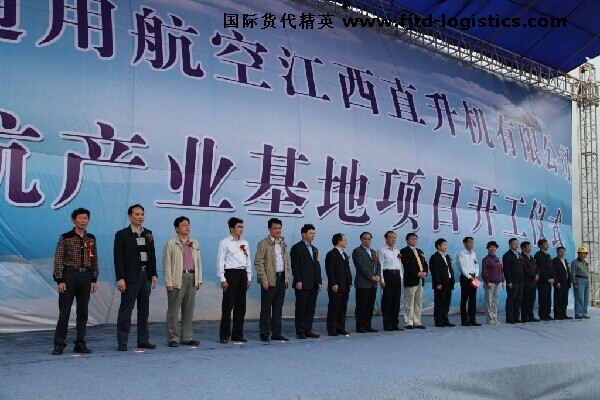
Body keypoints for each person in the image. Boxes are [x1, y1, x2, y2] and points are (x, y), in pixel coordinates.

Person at [52, 207, 99, 355]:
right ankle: (59, 344)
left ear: (88, 220)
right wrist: (60, 279)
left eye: (85, 218)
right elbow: (58, 259)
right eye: (80, 218)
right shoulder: (65, 237)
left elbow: (93, 259)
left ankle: (80, 343)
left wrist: (93, 278)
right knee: (64, 312)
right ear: (74, 220)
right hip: (69, 276)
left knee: (83, 312)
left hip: (86, 277)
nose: (83, 221)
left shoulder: (91, 238)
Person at [114, 204, 158, 351]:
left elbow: (152, 255)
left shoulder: (148, 234)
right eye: (137, 214)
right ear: (130, 216)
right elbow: (118, 258)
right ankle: (122, 341)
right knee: (126, 310)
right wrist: (120, 278)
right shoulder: (122, 235)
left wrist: (153, 274)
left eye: (142, 214)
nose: (140, 217)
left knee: (144, 310)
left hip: (146, 276)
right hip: (130, 278)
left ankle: (143, 340)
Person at [163, 216, 202, 348]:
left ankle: (187, 337)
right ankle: (172, 338)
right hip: (177, 278)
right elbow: (167, 264)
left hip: (191, 277)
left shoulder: (195, 243)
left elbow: (198, 262)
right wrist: (169, 282)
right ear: (176, 228)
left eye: (188, 225)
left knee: (188, 310)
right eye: (184, 225)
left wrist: (199, 279)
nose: (187, 227)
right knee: (173, 311)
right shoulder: (171, 243)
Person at [254, 218, 291, 342]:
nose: (278, 230)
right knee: (266, 308)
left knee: (278, 308)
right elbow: (258, 262)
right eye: (275, 228)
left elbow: (286, 261)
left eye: (279, 228)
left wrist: (287, 277)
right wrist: (264, 279)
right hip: (269, 279)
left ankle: (276, 333)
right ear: (269, 229)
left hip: (281, 278)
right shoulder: (263, 243)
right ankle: (264, 334)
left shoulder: (283, 243)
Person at [216, 217, 252, 343]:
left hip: (242, 273)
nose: (241, 229)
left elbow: (248, 260)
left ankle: (237, 334)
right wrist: (222, 278)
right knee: (228, 306)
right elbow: (220, 261)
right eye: (238, 226)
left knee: (241, 306)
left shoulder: (245, 243)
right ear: (231, 228)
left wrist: (249, 276)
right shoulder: (225, 242)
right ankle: (224, 335)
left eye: (242, 227)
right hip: (230, 274)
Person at [290, 223, 322, 339]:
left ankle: (308, 330)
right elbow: (295, 266)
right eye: (310, 233)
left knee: (310, 309)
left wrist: (319, 281)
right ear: (303, 234)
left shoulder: (314, 249)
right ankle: (300, 331)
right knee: (301, 308)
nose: (313, 235)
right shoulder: (297, 248)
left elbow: (317, 266)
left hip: (313, 283)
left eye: (314, 233)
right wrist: (298, 280)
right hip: (302, 283)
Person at [352, 232, 381, 333]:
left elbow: (378, 265)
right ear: (361, 240)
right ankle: (360, 326)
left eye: (369, 239)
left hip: (373, 284)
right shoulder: (357, 251)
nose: (367, 241)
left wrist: (378, 275)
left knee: (370, 306)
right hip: (363, 283)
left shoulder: (373, 251)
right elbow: (361, 266)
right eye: (365, 239)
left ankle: (368, 325)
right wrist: (371, 277)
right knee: (361, 306)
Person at [325, 233, 352, 336]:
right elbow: (330, 271)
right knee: (334, 307)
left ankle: (341, 328)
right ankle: (332, 329)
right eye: (344, 240)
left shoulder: (344, 254)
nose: (346, 241)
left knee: (342, 308)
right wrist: (333, 283)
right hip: (336, 286)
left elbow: (347, 269)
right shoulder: (331, 254)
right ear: (339, 241)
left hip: (345, 285)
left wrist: (349, 282)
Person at [400, 232, 428, 330]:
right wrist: (417, 273)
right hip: (411, 278)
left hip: (420, 279)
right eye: (411, 238)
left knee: (418, 301)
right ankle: (408, 322)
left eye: (415, 238)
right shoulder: (404, 251)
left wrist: (425, 272)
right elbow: (407, 264)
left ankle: (417, 321)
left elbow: (425, 263)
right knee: (409, 301)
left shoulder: (419, 251)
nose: (413, 240)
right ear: (407, 240)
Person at [377, 231, 404, 331]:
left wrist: (401, 278)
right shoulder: (382, 250)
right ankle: (387, 324)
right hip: (387, 275)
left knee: (396, 301)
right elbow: (380, 265)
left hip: (397, 275)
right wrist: (382, 280)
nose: (393, 239)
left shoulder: (397, 251)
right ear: (386, 239)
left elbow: (399, 265)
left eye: (395, 237)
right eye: (391, 237)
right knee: (387, 300)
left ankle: (395, 324)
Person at [428, 238, 455, 328]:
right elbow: (435, 271)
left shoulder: (447, 257)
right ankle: (438, 321)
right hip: (441, 283)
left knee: (447, 302)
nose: (445, 246)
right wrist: (438, 283)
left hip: (449, 281)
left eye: (446, 244)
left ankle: (445, 319)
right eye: (443, 244)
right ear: (438, 246)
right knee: (439, 302)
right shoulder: (434, 257)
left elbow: (449, 269)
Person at [456, 237, 481, 326]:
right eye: (470, 242)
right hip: (465, 278)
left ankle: (472, 319)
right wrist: (469, 276)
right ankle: (464, 320)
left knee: (473, 299)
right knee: (464, 299)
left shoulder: (474, 253)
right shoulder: (461, 254)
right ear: (465, 243)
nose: (472, 244)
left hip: (474, 277)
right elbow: (461, 267)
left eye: (472, 242)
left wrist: (476, 275)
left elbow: (476, 265)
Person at [481, 241, 503, 326]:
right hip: (490, 283)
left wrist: (502, 280)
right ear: (488, 248)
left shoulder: (498, 259)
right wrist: (487, 282)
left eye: (494, 247)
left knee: (495, 301)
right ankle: (489, 319)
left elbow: (501, 270)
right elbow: (484, 272)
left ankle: (494, 317)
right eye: (491, 247)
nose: (493, 248)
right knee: (489, 301)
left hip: (497, 282)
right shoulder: (486, 259)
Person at [503, 238, 523, 324]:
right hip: (512, 281)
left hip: (520, 281)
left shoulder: (518, 254)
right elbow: (506, 269)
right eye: (514, 243)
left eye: (517, 243)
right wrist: (509, 281)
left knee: (518, 300)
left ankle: (516, 317)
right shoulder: (507, 255)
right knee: (511, 300)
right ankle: (509, 318)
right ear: (510, 244)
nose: (516, 245)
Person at [534, 239, 555, 321]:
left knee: (548, 298)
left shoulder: (548, 255)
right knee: (543, 298)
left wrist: (552, 278)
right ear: (540, 246)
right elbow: (540, 269)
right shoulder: (538, 255)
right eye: (545, 244)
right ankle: (542, 315)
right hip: (542, 280)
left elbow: (551, 268)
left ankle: (547, 314)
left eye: (547, 244)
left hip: (550, 280)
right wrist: (547, 279)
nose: (547, 245)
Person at [520, 241, 539, 323]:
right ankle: (525, 316)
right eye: (528, 246)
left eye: (530, 246)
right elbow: (525, 269)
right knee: (525, 300)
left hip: (534, 282)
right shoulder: (521, 257)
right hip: (526, 281)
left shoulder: (532, 258)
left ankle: (531, 315)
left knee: (532, 300)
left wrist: (537, 275)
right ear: (523, 248)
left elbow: (537, 268)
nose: (530, 248)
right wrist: (533, 276)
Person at [552, 246, 571, 320]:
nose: (562, 253)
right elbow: (554, 272)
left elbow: (567, 271)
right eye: (560, 251)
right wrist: (557, 282)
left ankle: (563, 314)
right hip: (559, 283)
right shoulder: (555, 260)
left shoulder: (565, 261)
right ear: (557, 252)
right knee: (558, 299)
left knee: (564, 299)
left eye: (563, 252)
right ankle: (557, 315)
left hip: (566, 282)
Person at [571, 247, 590, 319]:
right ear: (578, 254)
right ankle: (578, 314)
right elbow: (572, 273)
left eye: (584, 254)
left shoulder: (586, 263)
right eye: (581, 254)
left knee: (586, 298)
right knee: (579, 298)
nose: (583, 255)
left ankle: (584, 313)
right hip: (579, 279)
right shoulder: (575, 262)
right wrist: (574, 283)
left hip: (586, 280)